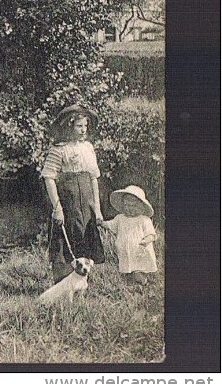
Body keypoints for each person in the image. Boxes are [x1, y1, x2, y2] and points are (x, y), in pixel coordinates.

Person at [39, 104, 106, 283]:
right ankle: (62, 282)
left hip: (86, 201)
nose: (83, 130)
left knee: (85, 235)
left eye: (85, 126)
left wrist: (97, 209)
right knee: (65, 237)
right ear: (69, 126)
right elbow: (49, 178)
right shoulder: (59, 149)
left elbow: (93, 178)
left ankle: (81, 282)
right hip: (67, 202)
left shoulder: (88, 148)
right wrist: (57, 208)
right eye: (79, 126)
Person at [100, 185, 158, 286]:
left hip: (139, 249)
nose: (129, 209)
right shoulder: (120, 218)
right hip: (124, 249)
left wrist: (146, 240)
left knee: (139, 267)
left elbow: (152, 234)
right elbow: (111, 225)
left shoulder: (144, 220)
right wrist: (102, 223)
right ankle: (130, 280)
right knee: (127, 266)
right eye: (126, 206)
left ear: (140, 207)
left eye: (132, 206)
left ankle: (142, 280)